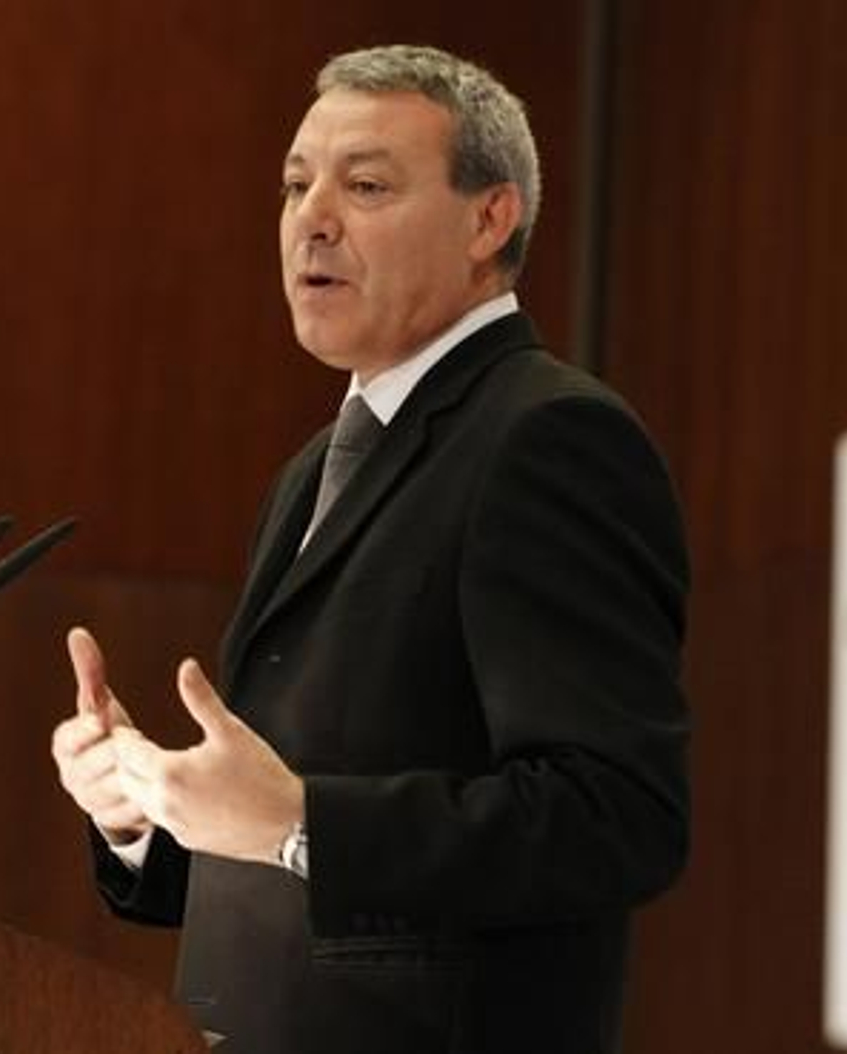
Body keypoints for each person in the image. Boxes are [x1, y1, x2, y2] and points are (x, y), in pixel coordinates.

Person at [50, 43, 689, 1054]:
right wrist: (150, 814)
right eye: (295, 184)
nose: (312, 217)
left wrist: (298, 820)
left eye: (367, 185)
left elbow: (614, 816)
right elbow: (281, 842)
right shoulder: (312, 471)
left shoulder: (549, 438)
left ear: (490, 218)